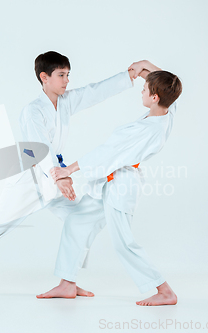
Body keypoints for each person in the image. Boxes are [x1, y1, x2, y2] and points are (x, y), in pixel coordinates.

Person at [0, 51, 142, 296]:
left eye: (68, 74)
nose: (66, 80)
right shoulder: (32, 111)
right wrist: (60, 177)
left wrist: (130, 75)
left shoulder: (65, 101)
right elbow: (40, 149)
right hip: (28, 180)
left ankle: (68, 283)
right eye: (61, 75)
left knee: (79, 221)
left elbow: (94, 92)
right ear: (44, 77)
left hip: (54, 178)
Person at [38, 60, 182, 306]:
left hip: (121, 186)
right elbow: (169, 88)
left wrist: (69, 169)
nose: (141, 91)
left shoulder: (148, 130)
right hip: (109, 182)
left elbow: (107, 153)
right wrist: (145, 67)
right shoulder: (166, 110)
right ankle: (67, 283)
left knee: (123, 242)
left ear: (155, 97)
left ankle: (164, 289)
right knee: (76, 222)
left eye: (145, 89)